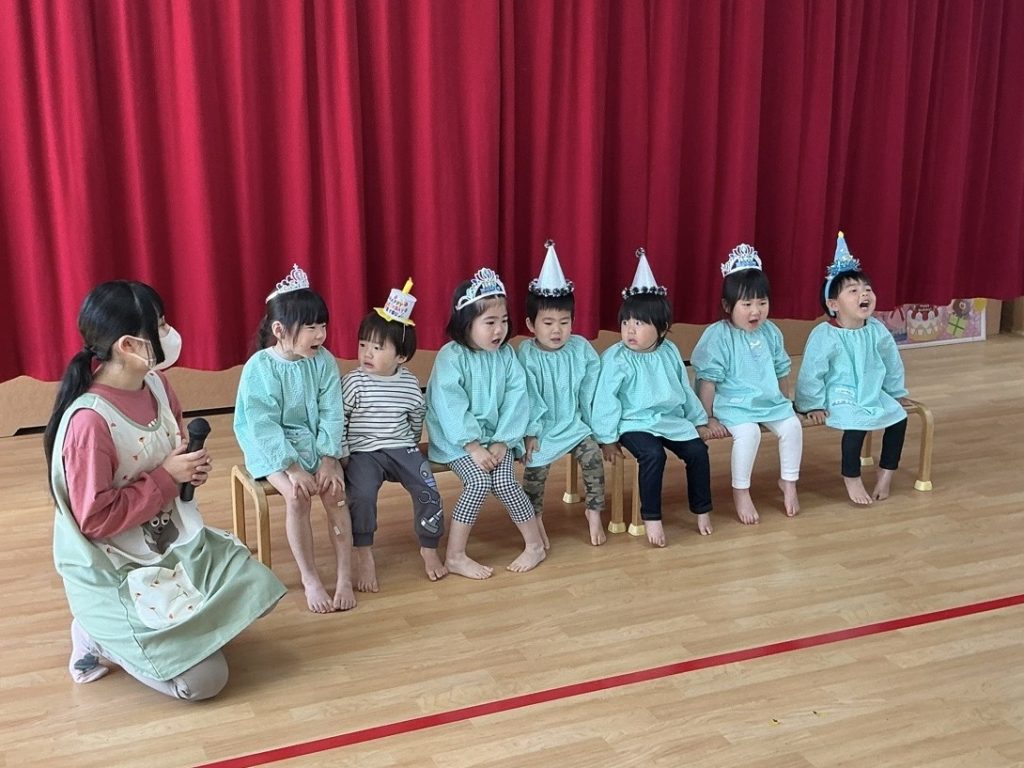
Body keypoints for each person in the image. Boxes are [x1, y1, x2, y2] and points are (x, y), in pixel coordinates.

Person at [43, 281, 285, 700]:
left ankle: (173, 635)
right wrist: (166, 478)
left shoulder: (156, 384)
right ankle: (97, 638)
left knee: (257, 592)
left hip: (165, 540)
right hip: (116, 564)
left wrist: (188, 469)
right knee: (205, 682)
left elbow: (170, 450)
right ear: (127, 346)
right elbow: (94, 520)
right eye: (160, 325)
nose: (170, 332)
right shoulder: (89, 424)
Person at [234, 265, 354, 613]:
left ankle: (345, 575)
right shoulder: (260, 367)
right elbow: (262, 425)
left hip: (315, 441)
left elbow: (332, 410)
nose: (321, 334)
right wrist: (293, 468)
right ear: (279, 330)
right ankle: (310, 577)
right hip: (273, 450)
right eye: (310, 327)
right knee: (297, 497)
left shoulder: (324, 361)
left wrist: (329, 458)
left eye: (323, 325)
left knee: (336, 492)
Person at [425, 267, 546, 578]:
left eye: (503, 320)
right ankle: (455, 556)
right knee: (478, 482)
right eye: (490, 322)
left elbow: (518, 398)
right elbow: (450, 406)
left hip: (497, 439)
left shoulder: (506, 356)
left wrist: (504, 440)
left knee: (505, 482)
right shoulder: (451, 357)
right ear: (467, 323)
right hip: (459, 442)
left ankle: (535, 545)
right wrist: (473, 446)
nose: (499, 330)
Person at [592, 249, 715, 547]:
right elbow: (605, 399)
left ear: (661, 329)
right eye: (626, 322)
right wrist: (607, 438)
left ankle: (702, 510)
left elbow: (683, 388)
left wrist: (698, 420)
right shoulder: (616, 358)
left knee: (698, 452)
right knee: (652, 455)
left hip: (670, 420)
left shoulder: (669, 351)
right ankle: (651, 516)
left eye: (639, 323)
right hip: (634, 422)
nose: (630, 330)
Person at [342, 279, 447, 590]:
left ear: (401, 356)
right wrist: (344, 452)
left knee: (429, 490)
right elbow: (340, 420)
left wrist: (411, 445)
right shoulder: (353, 382)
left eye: (377, 347)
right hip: (364, 452)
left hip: (403, 448)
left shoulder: (409, 383)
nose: (367, 353)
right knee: (361, 495)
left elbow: (416, 417)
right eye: (363, 344)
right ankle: (364, 553)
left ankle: (429, 547)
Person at [795, 232, 913, 504]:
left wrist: (895, 392)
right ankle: (851, 476)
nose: (864, 294)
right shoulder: (825, 334)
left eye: (867, 289)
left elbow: (892, 362)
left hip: (871, 389)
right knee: (856, 423)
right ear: (833, 305)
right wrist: (812, 405)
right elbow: (812, 372)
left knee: (899, 418)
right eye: (853, 291)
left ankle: (887, 471)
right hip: (841, 393)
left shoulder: (876, 329)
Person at [691, 244, 803, 524]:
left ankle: (789, 482)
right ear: (728, 306)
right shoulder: (718, 336)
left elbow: (781, 370)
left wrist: (784, 402)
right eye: (747, 304)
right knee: (749, 433)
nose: (756, 311)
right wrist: (707, 417)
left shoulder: (771, 332)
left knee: (792, 426)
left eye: (762, 303)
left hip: (769, 401)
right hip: (734, 405)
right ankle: (741, 491)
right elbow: (707, 381)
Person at [518, 240, 606, 546]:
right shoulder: (526, 354)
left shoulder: (580, 348)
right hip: (542, 429)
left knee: (593, 456)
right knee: (535, 468)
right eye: (548, 323)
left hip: (573, 424)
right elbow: (527, 396)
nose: (557, 330)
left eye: (564, 322)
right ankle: (534, 517)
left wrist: (593, 424)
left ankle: (594, 510)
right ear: (531, 324)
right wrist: (530, 432)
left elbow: (591, 387)